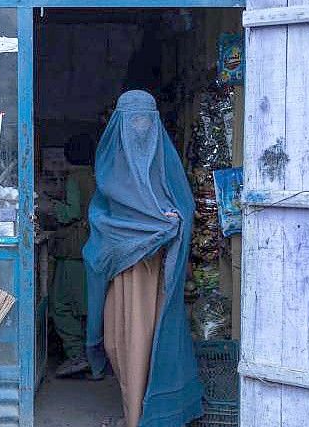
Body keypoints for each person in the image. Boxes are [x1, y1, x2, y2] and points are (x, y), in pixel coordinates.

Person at [84, 90, 203, 427]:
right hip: (123, 271)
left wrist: (171, 223)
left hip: (158, 272)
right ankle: (133, 413)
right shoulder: (110, 165)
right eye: (131, 119)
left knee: (147, 344)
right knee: (118, 344)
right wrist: (135, 235)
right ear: (119, 123)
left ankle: (139, 418)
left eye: (145, 120)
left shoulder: (164, 163)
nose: (139, 127)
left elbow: (185, 207)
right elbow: (101, 218)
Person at [50, 133, 96, 378]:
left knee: (61, 305)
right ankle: (91, 356)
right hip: (90, 249)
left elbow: (71, 213)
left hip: (73, 250)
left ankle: (78, 355)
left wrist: (48, 205)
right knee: (88, 305)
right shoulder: (93, 176)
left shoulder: (75, 178)